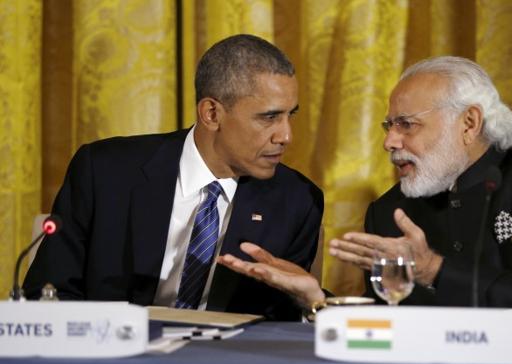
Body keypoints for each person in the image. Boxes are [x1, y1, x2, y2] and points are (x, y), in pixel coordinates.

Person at [218, 56, 512, 311]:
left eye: (407, 124)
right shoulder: (389, 211)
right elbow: (385, 330)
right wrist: (316, 298)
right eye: (390, 126)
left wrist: (435, 269)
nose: (389, 141)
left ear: (469, 124)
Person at [24, 34, 324, 321]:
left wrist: (312, 300)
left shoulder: (297, 201)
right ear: (211, 114)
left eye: (290, 115)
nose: (286, 135)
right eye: (269, 117)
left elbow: (281, 325)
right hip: (109, 358)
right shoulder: (104, 172)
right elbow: (49, 294)